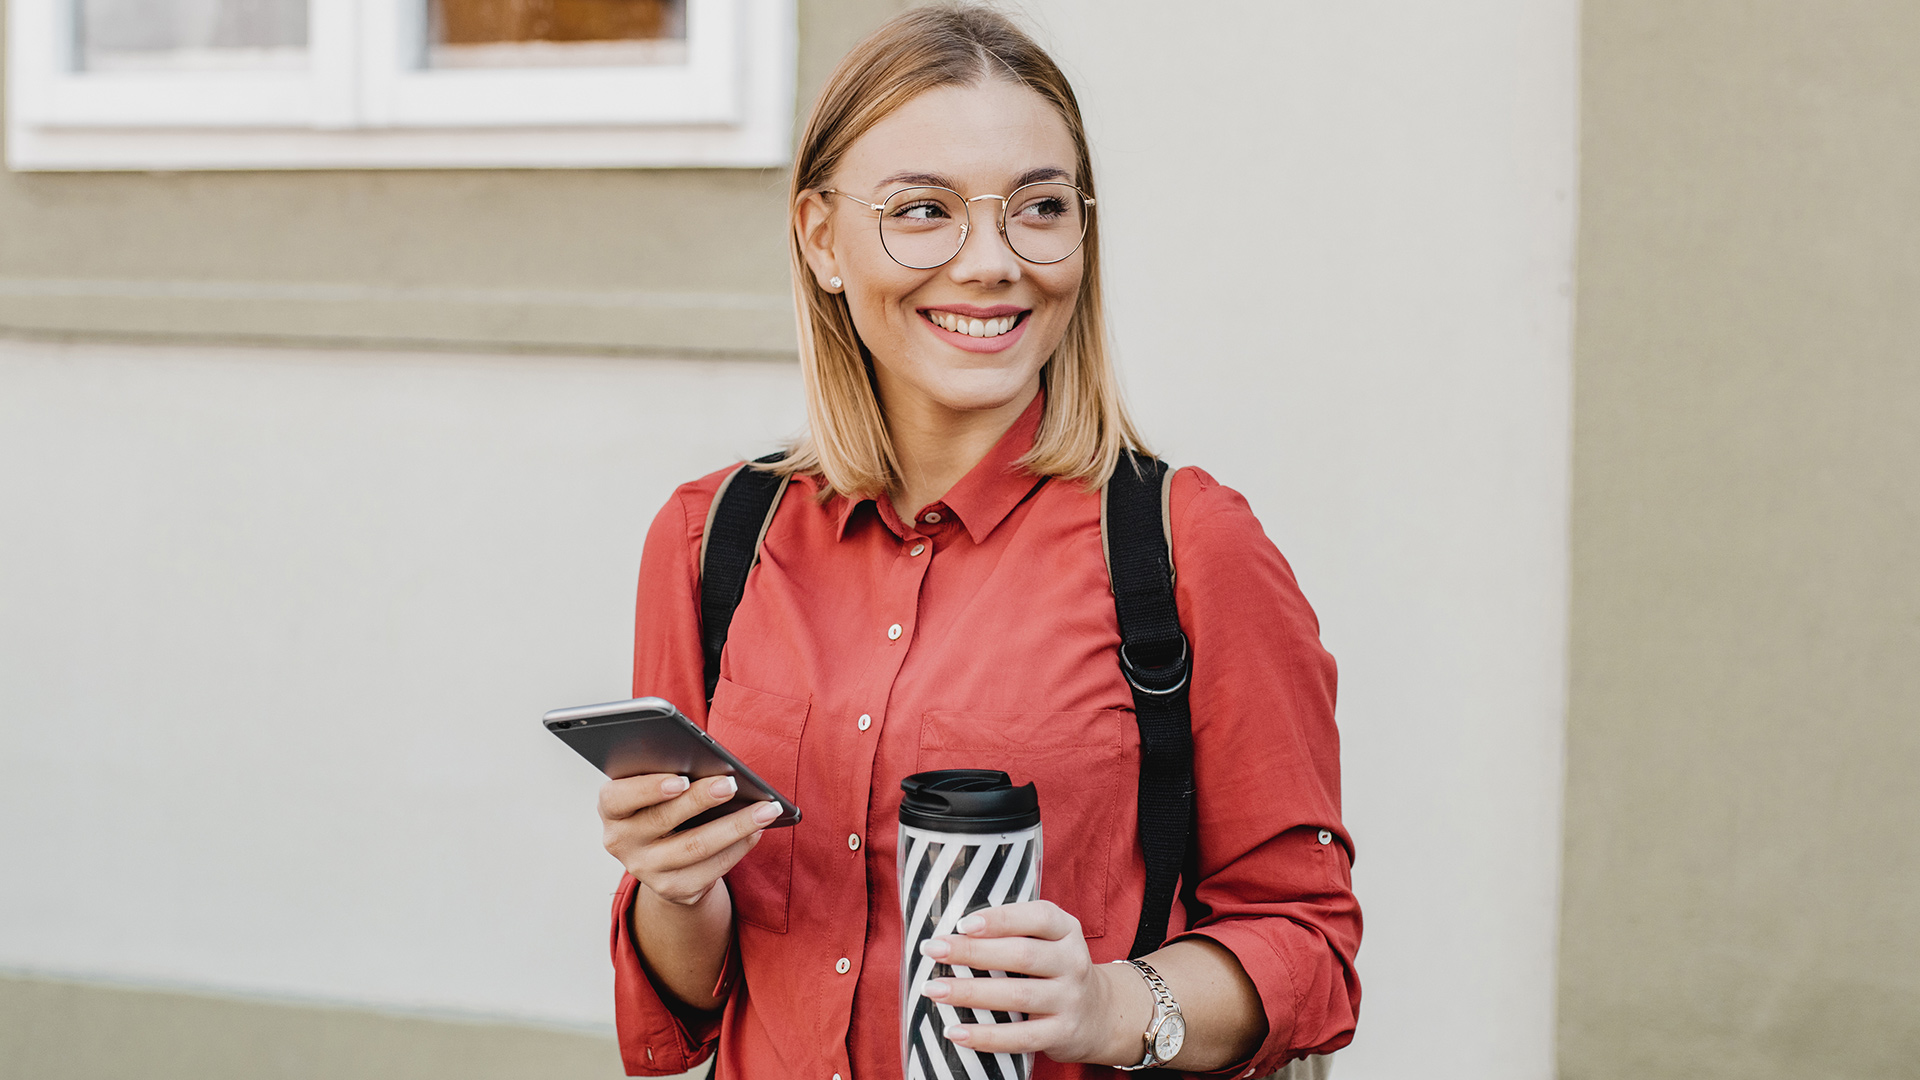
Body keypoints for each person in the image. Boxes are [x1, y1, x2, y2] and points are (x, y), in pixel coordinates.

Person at [596, 6, 1360, 1077]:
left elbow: (1308, 946)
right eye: (923, 211)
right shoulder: (709, 540)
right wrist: (677, 887)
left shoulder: (1188, 546)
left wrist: (1109, 1002)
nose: (993, 261)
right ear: (822, 237)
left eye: (1038, 208)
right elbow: (689, 997)